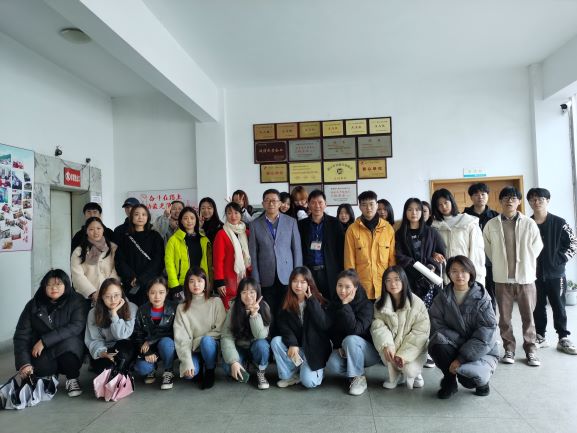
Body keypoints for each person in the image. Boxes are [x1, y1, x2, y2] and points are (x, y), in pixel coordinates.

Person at [483, 186, 543, 366]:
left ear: (519, 202)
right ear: (500, 201)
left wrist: (526, 262)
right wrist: (500, 262)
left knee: (528, 317)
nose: (510, 201)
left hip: (525, 278)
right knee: (504, 318)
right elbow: (487, 248)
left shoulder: (529, 223)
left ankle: (531, 350)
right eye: (506, 198)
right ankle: (509, 349)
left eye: (514, 198)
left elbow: (537, 246)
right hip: (502, 279)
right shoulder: (491, 224)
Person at [428, 256, 499, 399]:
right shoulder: (442, 297)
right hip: (454, 343)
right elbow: (436, 325)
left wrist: (461, 359)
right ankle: (449, 381)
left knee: (468, 380)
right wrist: (459, 342)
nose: (459, 275)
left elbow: (486, 332)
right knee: (437, 345)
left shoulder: (482, 298)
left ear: (470, 273)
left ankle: (482, 383)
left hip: (481, 349)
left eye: (463, 271)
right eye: (454, 271)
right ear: (449, 274)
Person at [14, 269, 87, 397]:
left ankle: (72, 378)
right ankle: (50, 376)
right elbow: (21, 335)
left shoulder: (76, 300)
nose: (54, 288)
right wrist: (24, 363)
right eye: (49, 284)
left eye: (58, 284)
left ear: (66, 284)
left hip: (67, 346)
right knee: (41, 370)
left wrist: (44, 341)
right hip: (44, 351)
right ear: (44, 286)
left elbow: (76, 326)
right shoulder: (33, 305)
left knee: (70, 348)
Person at [527, 187, 577, 355]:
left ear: (547, 201)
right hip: (534, 274)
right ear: (529, 203)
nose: (536, 202)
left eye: (540, 199)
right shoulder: (527, 223)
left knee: (559, 306)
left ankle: (563, 338)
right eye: (533, 199)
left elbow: (573, 244)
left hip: (556, 274)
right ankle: (540, 336)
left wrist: (559, 260)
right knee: (537, 306)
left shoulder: (560, 222)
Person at [249, 189, 303, 336]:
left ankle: (288, 340)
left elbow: (297, 250)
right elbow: (253, 254)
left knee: (287, 311)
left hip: (287, 276)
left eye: (274, 200)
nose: (271, 203)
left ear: (280, 203)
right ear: (263, 204)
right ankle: (271, 340)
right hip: (266, 277)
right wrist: (256, 279)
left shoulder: (291, 222)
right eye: (267, 200)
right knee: (268, 311)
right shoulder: (255, 224)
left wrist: (297, 277)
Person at [371, 266, 429, 391]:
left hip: (413, 349)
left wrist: (404, 355)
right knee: (386, 352)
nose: (393, 284)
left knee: (409, 370)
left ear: (404, 280)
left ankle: (416, 373)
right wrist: (387, 345)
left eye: (397, 279)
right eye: (388, 280)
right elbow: (378, 325)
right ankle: (395, 376)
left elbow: (421, 333)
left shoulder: (417, 303)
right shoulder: (380, 303)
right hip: (392, 347)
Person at [271, 267, 331, 388]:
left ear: (309, 283)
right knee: (276, 341)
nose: (298, 285)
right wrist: (292, 343)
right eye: (295, 281)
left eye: (303, 282)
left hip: (314, 349)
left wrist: (312, 301)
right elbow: (283, 326)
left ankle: (317, 372)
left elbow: (324, 324)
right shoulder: (286, 301)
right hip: (298, 348)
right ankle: (290, 376)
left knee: (309, 382)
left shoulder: (318, 300)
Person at [326, 269, 377, 396]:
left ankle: (358, 377)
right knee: (332, 364)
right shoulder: (334, 304)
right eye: (340, 286)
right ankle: (353, 372)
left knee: (351, 339)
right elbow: (331, 330)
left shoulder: (366, 305)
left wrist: (345, 305)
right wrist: (338, 346)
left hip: (369, 352)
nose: (342, 290)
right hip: (347, 349)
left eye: (347, 287)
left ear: (355, 288)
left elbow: (355, 330)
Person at [174, 267, 226, 389]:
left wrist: (198, 340)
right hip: (193, 350)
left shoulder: (216, 302)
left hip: (210, 346)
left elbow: (221, 330)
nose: (196, 285)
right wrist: (187, 362)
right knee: (189, 375)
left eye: (199, 281)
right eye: (191, 281)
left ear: (206, 283)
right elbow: (181, 338)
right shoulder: (181, 308)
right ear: (187, 284)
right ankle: (198, 365)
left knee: (206, 341)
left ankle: (210, 369)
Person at [344, 190, 396, 301]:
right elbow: (349, 262)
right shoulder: (352, 230)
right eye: (364, 205)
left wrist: (392, 283)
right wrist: (352, 286)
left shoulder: (388, 229)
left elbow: (392, 260)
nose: (368, 208)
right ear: (359, 207)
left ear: (377, 205)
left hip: (383, 286)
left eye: (371, 204)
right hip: (362, 288)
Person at [221, 277, 271, 390]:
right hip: (239, 347)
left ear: (257, 293)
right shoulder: (234, 308)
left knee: (262, 345)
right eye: (244, 292)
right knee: (227, 366)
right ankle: (242, 365)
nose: (248, 296)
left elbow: (260, 335)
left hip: (256, 346)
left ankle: (260, 371)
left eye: (252, 292)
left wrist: (254, 314)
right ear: (239, 294)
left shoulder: (264, 307)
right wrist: (233, 361)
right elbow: (226, 336)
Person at [395, 198, 446, 307]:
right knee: (411, 309)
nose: (414, 213)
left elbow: (441, 255)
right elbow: (398, 256)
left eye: (417, 210)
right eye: (410, 209)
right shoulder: (400, 234)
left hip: (429, 279)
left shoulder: (432, 232)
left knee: (431, 311)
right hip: (408, 279)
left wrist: (431, 264)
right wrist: (415, 268)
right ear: (405, 212)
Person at [431, 188, 485, 285]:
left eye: (446, 202)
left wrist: (476, 277)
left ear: (451, 201)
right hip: (444, 275)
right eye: (439, 204)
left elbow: (477, 251)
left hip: (465, 272)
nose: (444, 206)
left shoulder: (468, 222)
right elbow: (431, 249)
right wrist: (434, 254)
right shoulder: (434, 226)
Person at [84, 278, 138, 374]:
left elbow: (122, 336)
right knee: (107, 369)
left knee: (123, 353)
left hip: (124, 347)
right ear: (102, 297)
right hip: (104, 349)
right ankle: (116, 373)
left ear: (122, 294)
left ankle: (120, 374)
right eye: (108, 296)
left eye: (116, 295)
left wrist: (114, 314)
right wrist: (103, 353)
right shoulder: (93, 313)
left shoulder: (132, 308)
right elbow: (94, 339)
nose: (113, 300)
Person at [298, 190, 344, 300]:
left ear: (325, 204)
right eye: (313, 203)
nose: (317, 206)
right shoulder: (301, 225)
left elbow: (341, 249)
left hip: (329, 271)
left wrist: (341, 271)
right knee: (311, 301)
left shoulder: (335, 223)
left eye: (320, 202)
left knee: (331, 301)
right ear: (308, 205)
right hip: (309, 272)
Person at [115, 204, 165, 305]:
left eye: (143, 214)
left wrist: (142, 278)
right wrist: (131, 276)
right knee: (131, 310)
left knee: (150, 310)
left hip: (151, 283)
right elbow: (120, 260)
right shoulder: (125, 237)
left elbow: (158, 260)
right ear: (131, 217)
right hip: (131, 283)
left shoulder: (155, 236)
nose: (140, 217)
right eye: (136, 214)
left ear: (148, 217)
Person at [133, 277, 178, 390]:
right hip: (150, 348)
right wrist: (147, 351)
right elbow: (138, 334)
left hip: (168, 346)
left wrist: (150, 341)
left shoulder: (174, 308)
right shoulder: (142, 310)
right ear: (147, 293)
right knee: (141, 368)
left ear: (167, 292)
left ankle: (168, 371)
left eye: (161, 292)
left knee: (166, 342)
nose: (157, 296)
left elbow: (175, 333)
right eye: (153, 293)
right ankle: (151, 369)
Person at [463, 183, 499, 309]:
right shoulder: (464, 217)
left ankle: (490, 318)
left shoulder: (496, 216)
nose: (480, 197)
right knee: (471, 293)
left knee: (491, 294)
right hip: (470, 261)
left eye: (483, 194)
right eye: (476, 194)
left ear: (488, 196)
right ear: (471, 197)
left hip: (491, 262)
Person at [165, 206, 211, 301]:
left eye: (192, 218)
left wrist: (208, 283)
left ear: (196, 220)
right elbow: (169, 264)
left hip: (200, 284)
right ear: (181, 221)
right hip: (181, 285)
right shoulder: (173, 240)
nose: (189, 221)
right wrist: (174, 285)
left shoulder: (204, 240)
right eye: (185, 218)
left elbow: (208, 265)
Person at [71, 216, 119, 302]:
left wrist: (108, 290)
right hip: (86, 297)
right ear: (86, 231)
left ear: (103, 230)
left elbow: (116, 270)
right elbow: (77, 275)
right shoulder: (78, 251)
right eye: (91, 229)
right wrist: (92, 293)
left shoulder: (113, 248)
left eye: (99, 228)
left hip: (111, 295)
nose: (96, 232)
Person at [213, 202, 251, 309]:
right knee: (229, 311)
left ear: (241, 214)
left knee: (246, 309)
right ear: (226, 215)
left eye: (236, 213)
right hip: (228, 279)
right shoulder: (221, 234)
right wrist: (219, 282)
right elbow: (218, 260)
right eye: (229, 213)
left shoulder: (247, 232)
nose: (233, 216)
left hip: (246, 277)